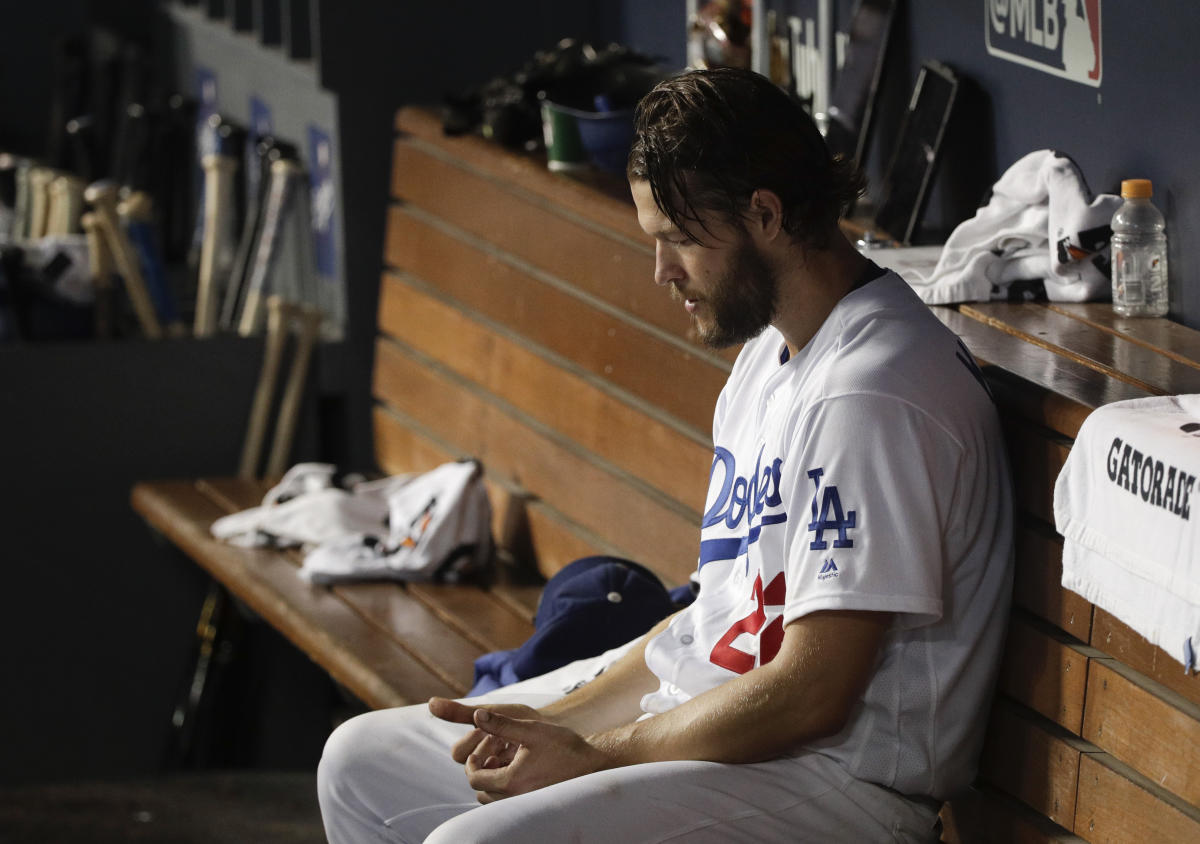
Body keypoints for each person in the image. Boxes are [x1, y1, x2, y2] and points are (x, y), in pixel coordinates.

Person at [317, 67, 1013, 843]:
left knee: (474, 842)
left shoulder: (873, 393)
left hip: (838, 782)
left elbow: (814, 692)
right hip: (715, 728)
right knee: (360, 760)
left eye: (678, 239)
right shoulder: (770, 357)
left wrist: (592, 757)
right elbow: (710, 624)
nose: (661, 272)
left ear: (766, 214)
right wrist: (554, 720)